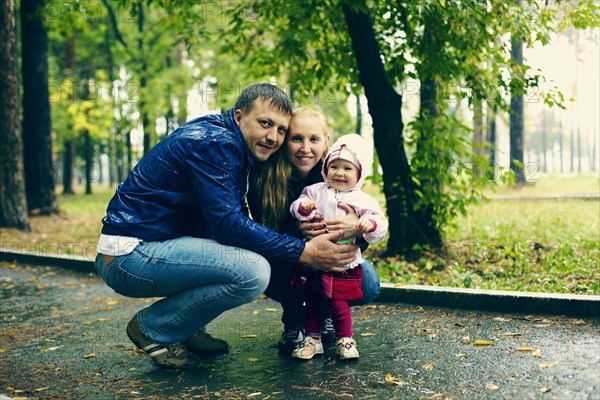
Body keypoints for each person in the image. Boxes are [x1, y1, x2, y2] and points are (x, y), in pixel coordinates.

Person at [94, 84, 359, 369]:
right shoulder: (216, 144)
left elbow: (227, 220)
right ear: (238, 117)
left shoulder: (231, 144)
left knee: (240, 256)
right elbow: (228, 225)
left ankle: (184, 328)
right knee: (252, 271)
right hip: (128, 255)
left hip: (149, 247)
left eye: (281, 130)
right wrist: (302, 251)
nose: (273, 137)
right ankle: (153, 328)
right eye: (265, 123)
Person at [247, 108, 382, 355]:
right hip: (288, 260)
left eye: (314, 139)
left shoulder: (339, 173)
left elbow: (368, 220)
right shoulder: (266, 179)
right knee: (279, 269)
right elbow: (263, 234)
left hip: (335, 253)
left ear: (326, 141)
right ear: (286, 140)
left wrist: (355, 231)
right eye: (296, 138)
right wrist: (299, 232)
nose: (305, 148)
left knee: (368, 282)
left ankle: (328, 314)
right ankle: (294, 322)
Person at [288, 134, 388, 360]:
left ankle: (345, 339)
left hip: (343, 262)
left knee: (339, 302)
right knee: (313, 300)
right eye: (333, 166)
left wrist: (368, 225)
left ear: (359, 174)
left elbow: (381, 224)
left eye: (347, 168)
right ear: (326, 168)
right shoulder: (315, 191)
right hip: (315, 258)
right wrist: (303, 208)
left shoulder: (363, 200)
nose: (339, 173)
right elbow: (297, 207)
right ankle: (313, 339)